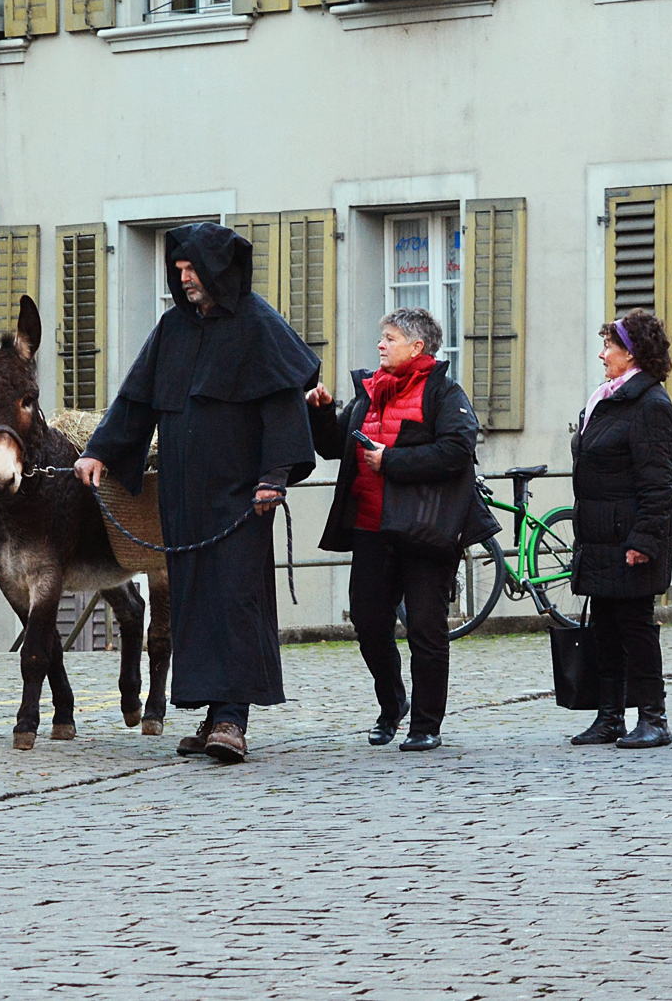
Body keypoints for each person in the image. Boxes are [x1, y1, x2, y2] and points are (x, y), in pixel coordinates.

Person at [76, 223, 317, 764]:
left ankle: (233, 718)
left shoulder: (258, 325)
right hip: (184, 498)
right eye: (179, 270)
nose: (184, 280)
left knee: (235, 600)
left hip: (240, 498)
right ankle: (211, 713)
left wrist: (273, 478)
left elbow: (283, 406)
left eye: (192, 270)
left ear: (218, 270)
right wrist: (99, 452)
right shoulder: (172, 330)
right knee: (192, 602)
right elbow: (136, 402)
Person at [306, 308, 498, 752]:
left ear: (417, 347)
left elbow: (456, 450)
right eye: (382, 337)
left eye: (389, 338)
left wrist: (391, 460)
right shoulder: (369, 393)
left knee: (426, 630)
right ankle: (393, 703)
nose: (380, 345)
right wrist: (320, 413)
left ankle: (426, 724)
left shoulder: (445, 393)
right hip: (371, 528)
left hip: (426, 529)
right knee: (369, 621)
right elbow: (336, 446)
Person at [568, 309, 672, 749]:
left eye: (609, 347)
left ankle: (653, 716)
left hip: (629, 534)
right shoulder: (606, 398)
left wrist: (644, 540)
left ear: (631, 354)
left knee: (636, 626)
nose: (602, 354)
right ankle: (609, 715)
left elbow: (657, 482)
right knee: (606, 628)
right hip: (599, 533)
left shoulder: (650, 405)